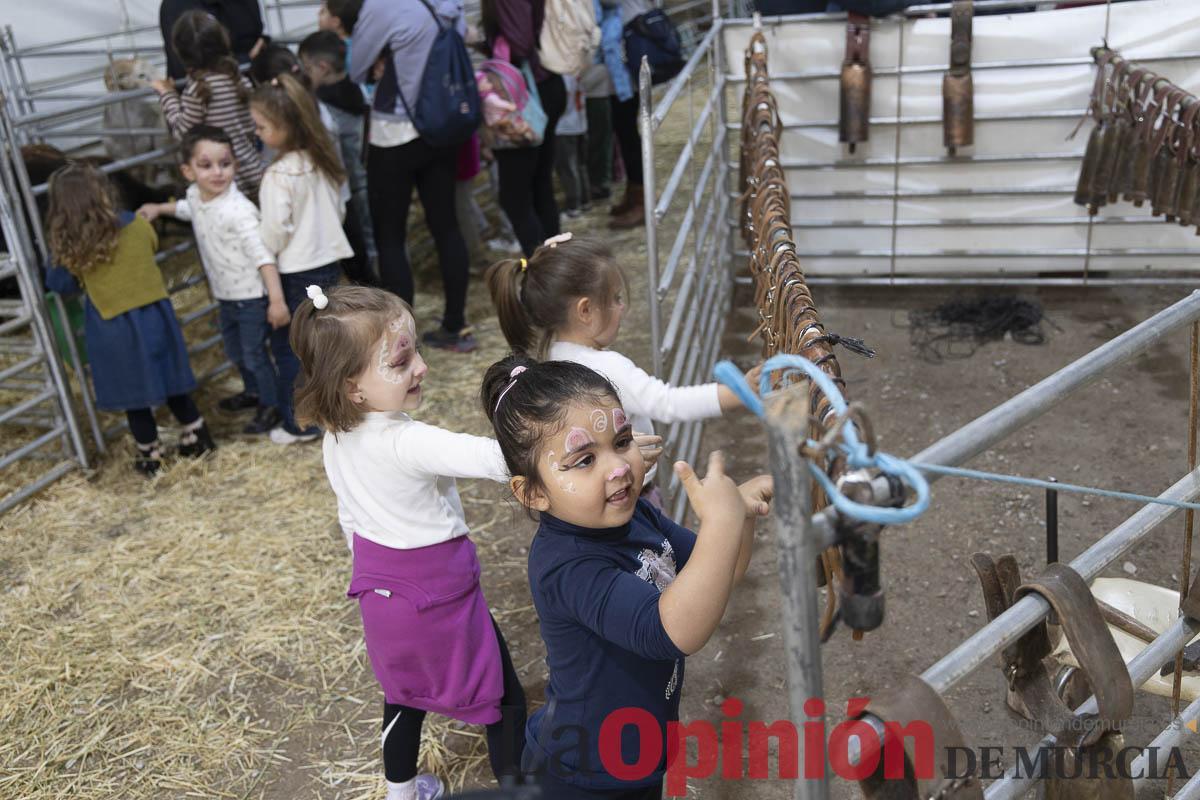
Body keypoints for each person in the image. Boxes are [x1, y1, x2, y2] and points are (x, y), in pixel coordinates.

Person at [481, 355, 772, 796]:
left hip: (638, 754)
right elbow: (674, 631)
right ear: (533, 492)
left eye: (621, 441)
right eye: (584, 460)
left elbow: (720, 573)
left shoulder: (636, 516)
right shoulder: (566, 564)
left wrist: (739, 514)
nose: (617, 467)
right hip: (583, 773)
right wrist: (720, 525)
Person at [289, 285, 528, 800]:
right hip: (441, 594)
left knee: (402, 696)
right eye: (400, 361)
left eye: (415, 350)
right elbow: (494, 458)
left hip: (381, 598)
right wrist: (564, 446)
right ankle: (517, 786)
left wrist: (375, 567)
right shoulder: (405, 440)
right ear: (353, 387)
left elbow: (348, 515)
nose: (420, 366)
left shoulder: (334, 437)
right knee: (503, 696)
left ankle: (400, 793)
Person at [485, 234, 760, 507]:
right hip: (630, 494)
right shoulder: (606, 367)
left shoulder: (547, 361)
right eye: (615, 298)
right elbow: (666, 402)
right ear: (585, 310)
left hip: (585, 504)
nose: (622, 306)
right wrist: (739, 393)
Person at [45, 163, 215, 475]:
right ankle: (197, 432)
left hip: (114, 328)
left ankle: (151, 455)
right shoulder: (136, 225)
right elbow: (152, 244)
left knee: (134, 393)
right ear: (104, 193)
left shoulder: (74, 247)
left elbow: (59, 284)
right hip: (157, 316)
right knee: (171, 378)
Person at [341, 0, 479, 353]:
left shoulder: (383, 5)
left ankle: (404, 341)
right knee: (445, 224)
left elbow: (355, 67)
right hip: (440, 126)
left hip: (395, 133)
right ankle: (456, 325)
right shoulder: (448, 3)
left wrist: (383, 59)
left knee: (390, 237)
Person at [137, 126, 288, 436]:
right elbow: (186, 208)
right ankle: (254, 391)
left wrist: (275, 300)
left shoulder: (240, 211)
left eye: (225, 163)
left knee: (255, 354)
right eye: (206, 165)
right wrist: (159, 208)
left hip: (251, 297)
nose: (218, 173)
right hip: (224, 295)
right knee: (234, 351)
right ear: (188, 171)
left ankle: (271, 404)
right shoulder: (195, 195)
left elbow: (264, 257)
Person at [250, 74, 352, 444]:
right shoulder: (320, 159)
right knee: (327, 341)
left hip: (295, 271)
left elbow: (275, 230)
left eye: (261, 126)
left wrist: (262, 245)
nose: (257, 133)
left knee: (291, 348)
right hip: (327, 262)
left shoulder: (278, 175)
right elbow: (339, 209)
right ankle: (334, 409)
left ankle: (299, 423)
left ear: (284, 127)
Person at [480, 0, 567, 255]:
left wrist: (494, 53)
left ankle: (542, 273)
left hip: (525, 96)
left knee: (514, 195)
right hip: (543, 84)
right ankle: (556, 266)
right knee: (540, 184)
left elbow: (520, 41)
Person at [153, 9, 264, 201]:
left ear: (180, 53)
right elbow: (251, 128)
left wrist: (167, 95)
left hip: (224, 182)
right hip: (253, 172)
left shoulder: (197, 91)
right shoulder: (239, 80)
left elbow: (182, 132)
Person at [299, 30, 378, 284]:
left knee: (362, 247)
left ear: (322, 67)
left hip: (347, 188)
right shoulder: (358, 90)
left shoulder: (321, 106)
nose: (303, 73)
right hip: (369, 175)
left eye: (306, 67)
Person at [598, 0, 648, 229]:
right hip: (619, 70)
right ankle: (634, 191)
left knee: (629, 136)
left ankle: (641, 200)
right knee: (625, 133)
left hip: (625, 68)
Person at [159, 0, 266, 81]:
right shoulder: (176, 6)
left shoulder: (245, 4)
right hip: (203, 99)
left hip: (253, 88)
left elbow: (259, 41)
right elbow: (186, 68)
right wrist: (248, 59)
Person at [554, 73, 590, 218]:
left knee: (567, 168)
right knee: (579, 165)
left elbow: (560, 102)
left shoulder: (562, 76)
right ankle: (585, 200)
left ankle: (574, 205)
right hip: (580, 123)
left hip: (564, 127)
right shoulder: (576, 72)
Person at [580, 61, 614, 202]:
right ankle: (597, 183)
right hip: (589, 93)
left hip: (595, 94)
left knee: (599, 142)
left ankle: (599, 184)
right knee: (596, 142)